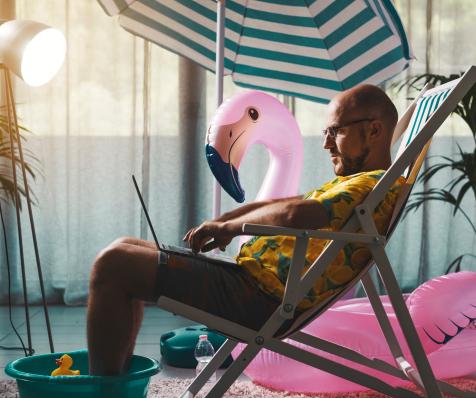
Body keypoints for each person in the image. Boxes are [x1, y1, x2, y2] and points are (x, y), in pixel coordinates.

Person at [87, 84, 405, 375]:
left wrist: (231, 227)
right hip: (250, 283)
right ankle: (114, 383)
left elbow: (296, 212)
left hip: (260, 300)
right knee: (126, 245)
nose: (325, 143)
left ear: (374, 130)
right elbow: (290, 201)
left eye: (335, 131)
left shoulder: (369, 185)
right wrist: (224, 220)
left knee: (113, 263)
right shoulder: (353, 184)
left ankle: (103, 396)